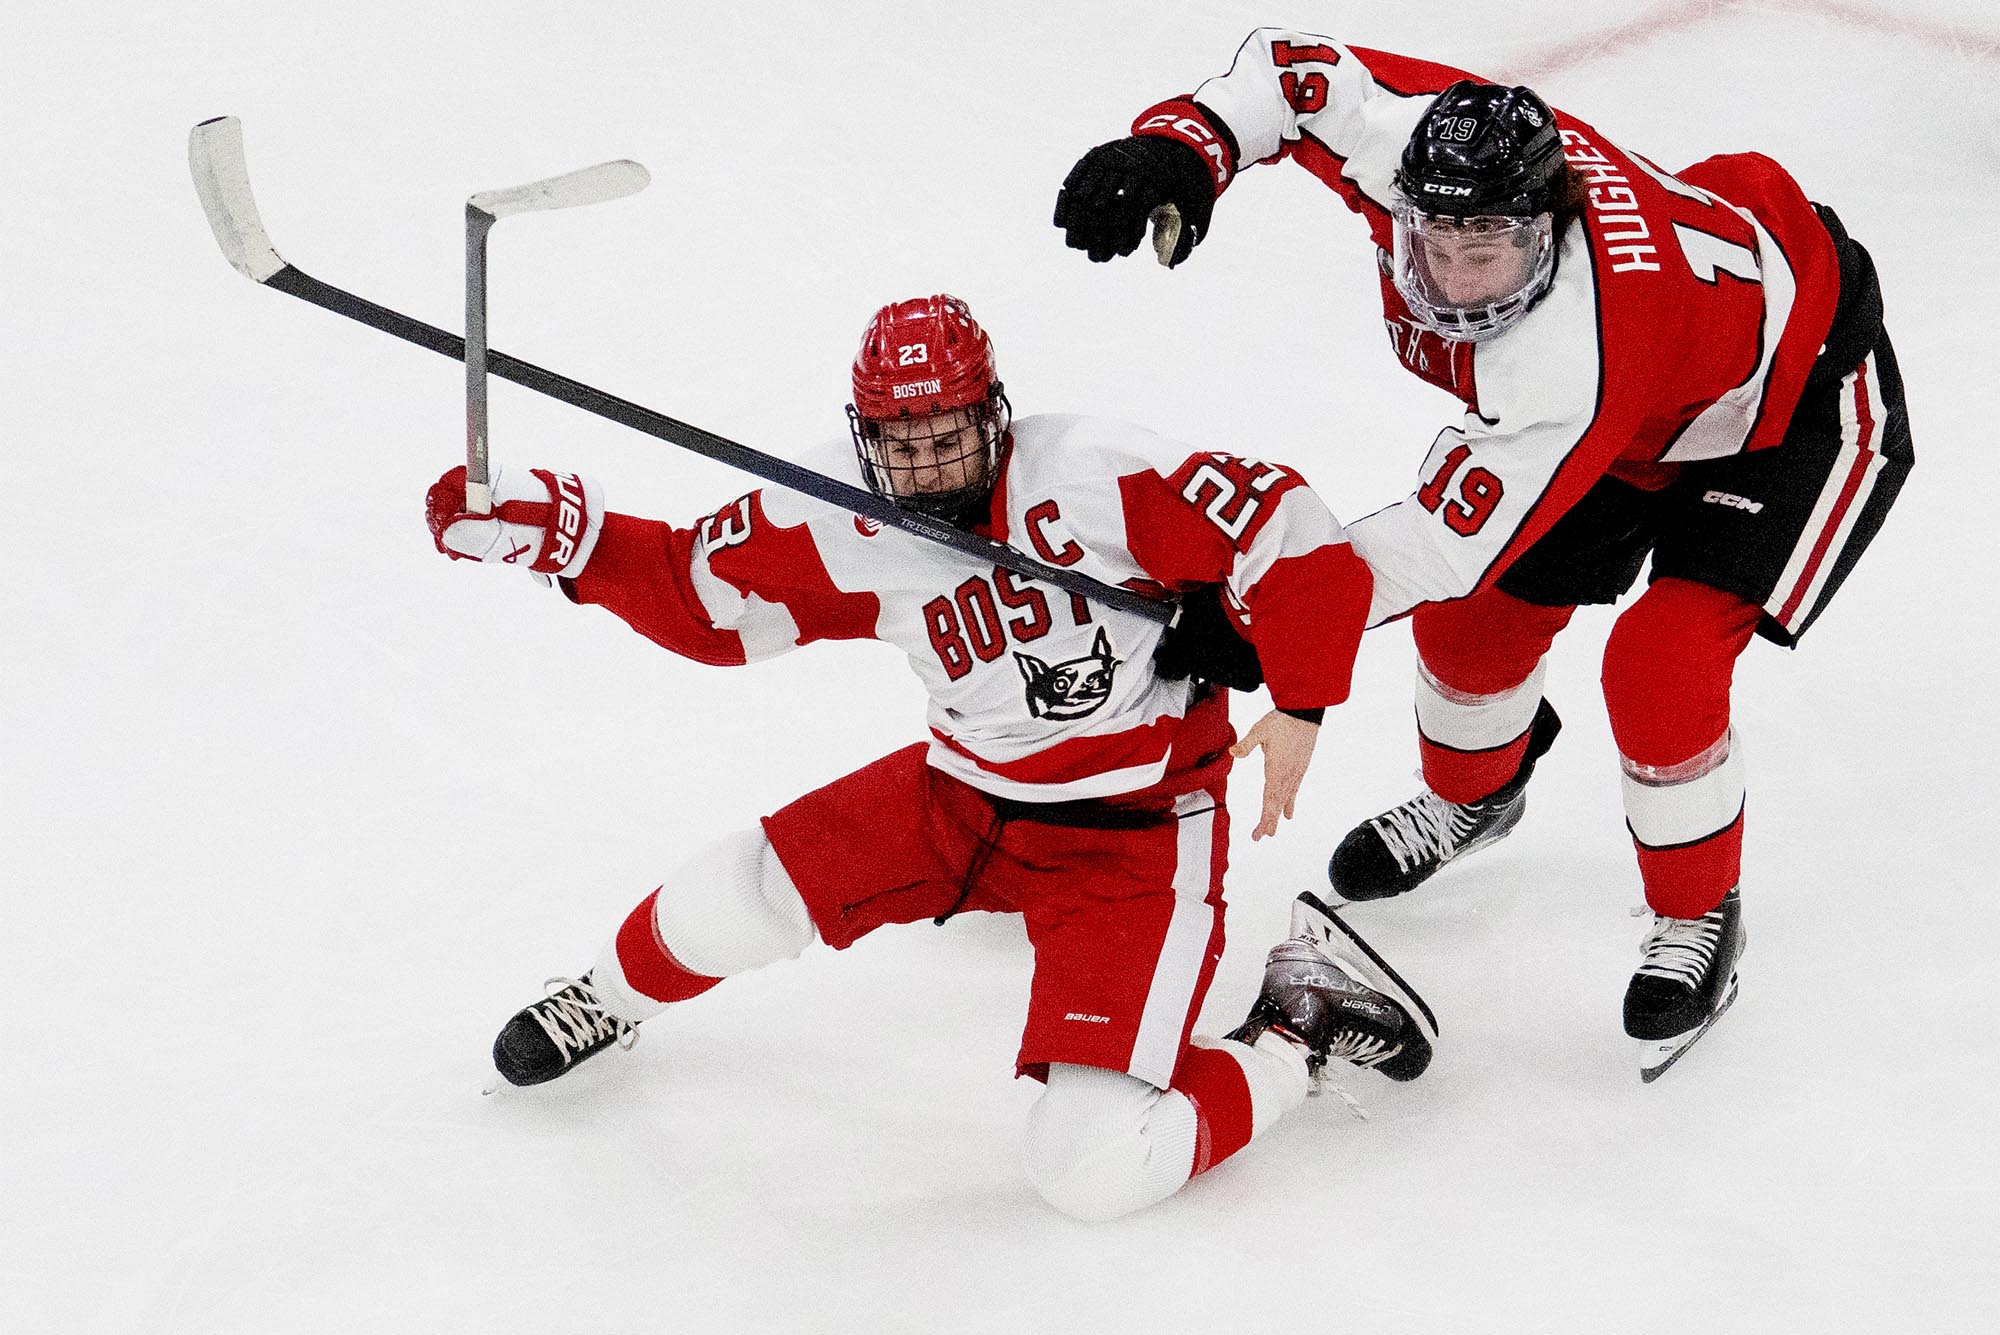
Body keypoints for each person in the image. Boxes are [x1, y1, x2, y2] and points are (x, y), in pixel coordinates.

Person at [424, 293, 1440, 1220]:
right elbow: (702, 600)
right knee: (731, 893)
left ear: (993, 415)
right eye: (896, 446)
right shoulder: (837, 507)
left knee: (1091, 1169)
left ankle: (1296, 1019)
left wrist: (1299, 696)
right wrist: (564, 538)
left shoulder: (1096, 472)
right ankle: (607, 1001)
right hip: (962, 798)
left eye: (945, 440)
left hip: (1131, 838)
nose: (922, 469)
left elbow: (1292, 534)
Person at [1053, 33, 1912, 1072]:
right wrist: (1185, 152)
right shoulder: (1416, 146)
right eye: (1433, 248)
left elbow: (1429, 545)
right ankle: (1476, 796)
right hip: (1657, 391)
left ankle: (1697, 915)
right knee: (1472, 630)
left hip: (1795, 400)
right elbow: (1291, 73)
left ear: (1546, 233)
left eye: (1487, 252)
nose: (1454, 284)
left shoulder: (1571, 357)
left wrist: (1246, 623)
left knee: (1661, 666)